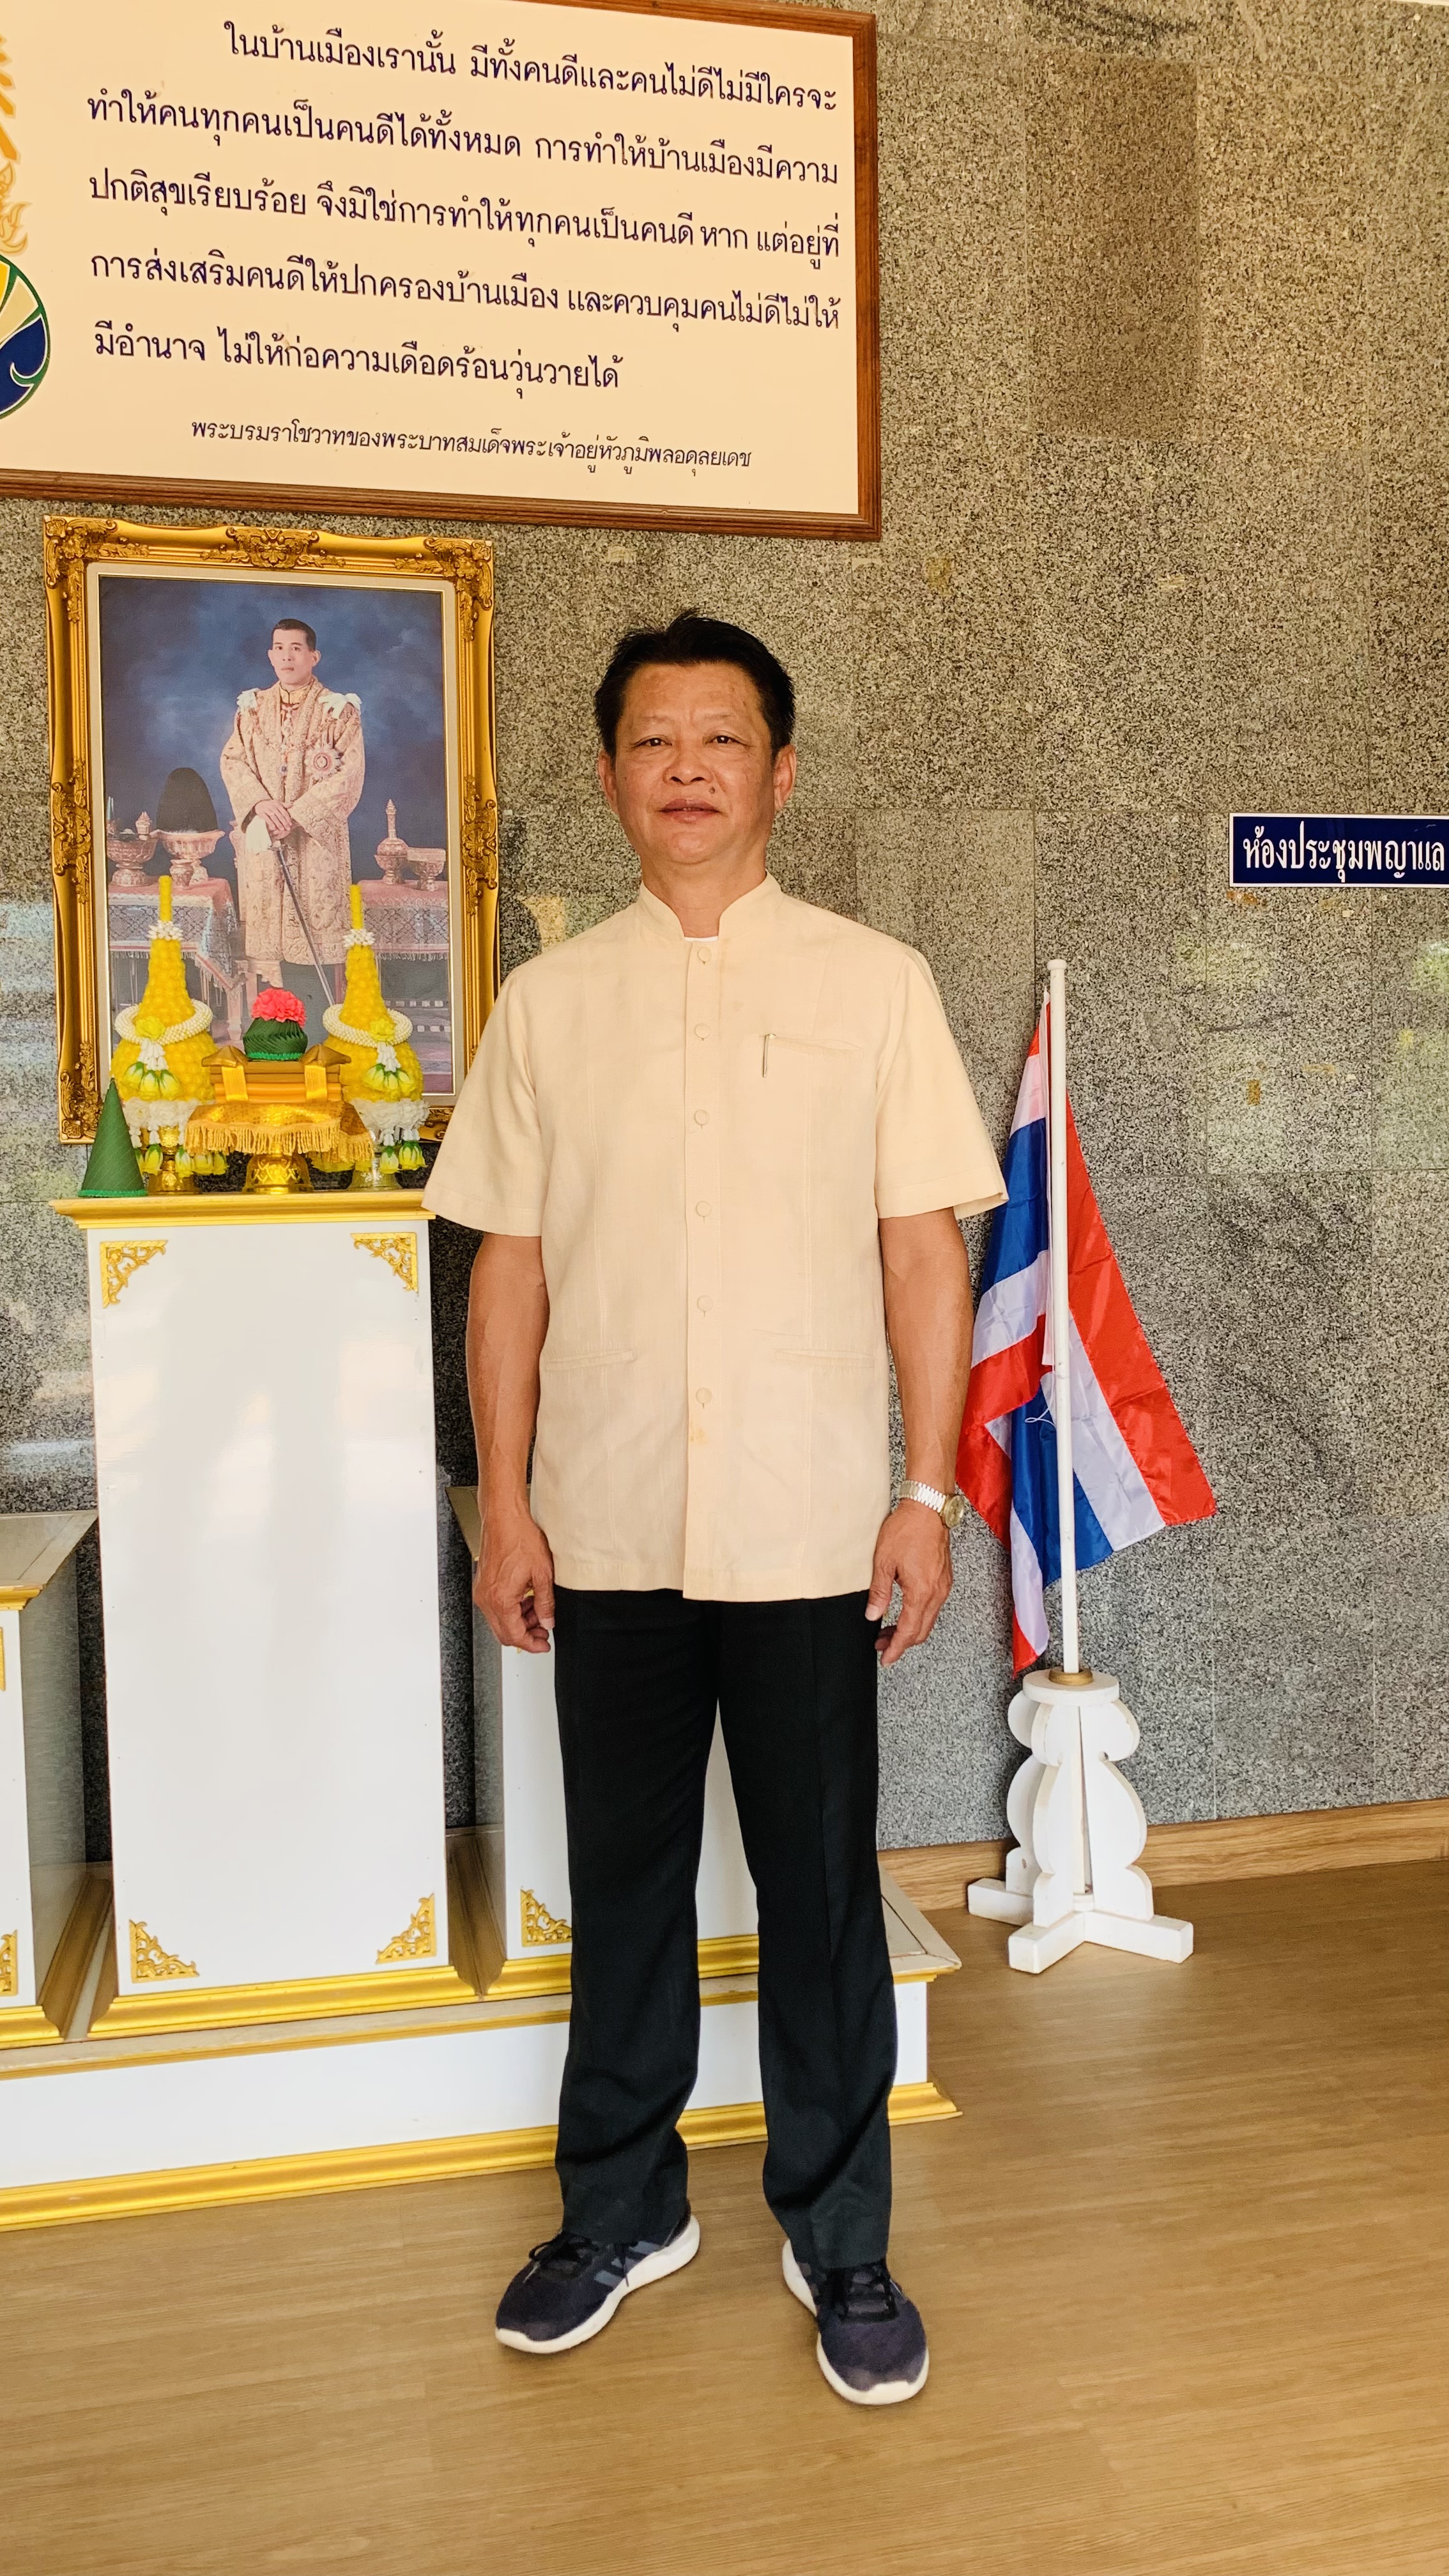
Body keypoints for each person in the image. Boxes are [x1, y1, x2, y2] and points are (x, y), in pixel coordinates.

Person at [424, 614, 1005, 2407]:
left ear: (780, 772)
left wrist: (923, 1489)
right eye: (654, 739)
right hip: (601, 1522)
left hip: (812, 1525)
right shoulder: (551, 1005)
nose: (687, 767)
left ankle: (842, 2237)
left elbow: (924, 1256)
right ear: (611, 776)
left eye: (722, 737)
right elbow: (507, 1272)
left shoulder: (873, 985)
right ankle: (622, 2209)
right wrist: (502, 1506)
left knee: (821, 1897)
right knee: (625, 1886)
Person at [219, 615, 364, 1008]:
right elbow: (233, 761)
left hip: (315, 844)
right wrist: (261, 805)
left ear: (314, 657)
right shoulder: (251, 709)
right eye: (280, 649)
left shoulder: (339, 711)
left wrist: (296, 815)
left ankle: (317, 1028)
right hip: (267, 836)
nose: (287, 657)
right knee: (271, 950)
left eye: (296, 649)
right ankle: (275, 1031)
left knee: (313, 946)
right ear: (270, 656)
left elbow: (348, 776)